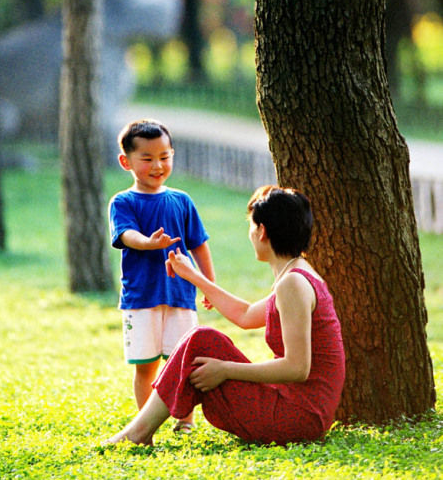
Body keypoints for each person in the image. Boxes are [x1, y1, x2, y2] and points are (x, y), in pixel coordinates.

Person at [103, 185, 345, 447]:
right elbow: (245, 314)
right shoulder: (297, 275)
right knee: (203, 339)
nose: (250, 234)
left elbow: (297, 368)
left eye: (252, 226)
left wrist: (225, 370)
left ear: (262, 231)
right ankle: (142, 431)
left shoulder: (293, 285)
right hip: (300, 411)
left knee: (201, 340)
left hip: (299, 418)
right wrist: (194, 276)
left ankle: (137, 434)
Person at [109, 118, 215, 433]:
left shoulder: (182, 201)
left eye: (164, 157)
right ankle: (147, 423)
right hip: (141, 298)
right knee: (146, 366)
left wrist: (208, 285)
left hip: (181, 296)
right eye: (148, 158)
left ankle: (185, 421)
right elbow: (126, 235)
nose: (158, 165)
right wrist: (149, 243)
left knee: (182, 362)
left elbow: (200, 245)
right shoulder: (123, 202)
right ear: (126, 161)